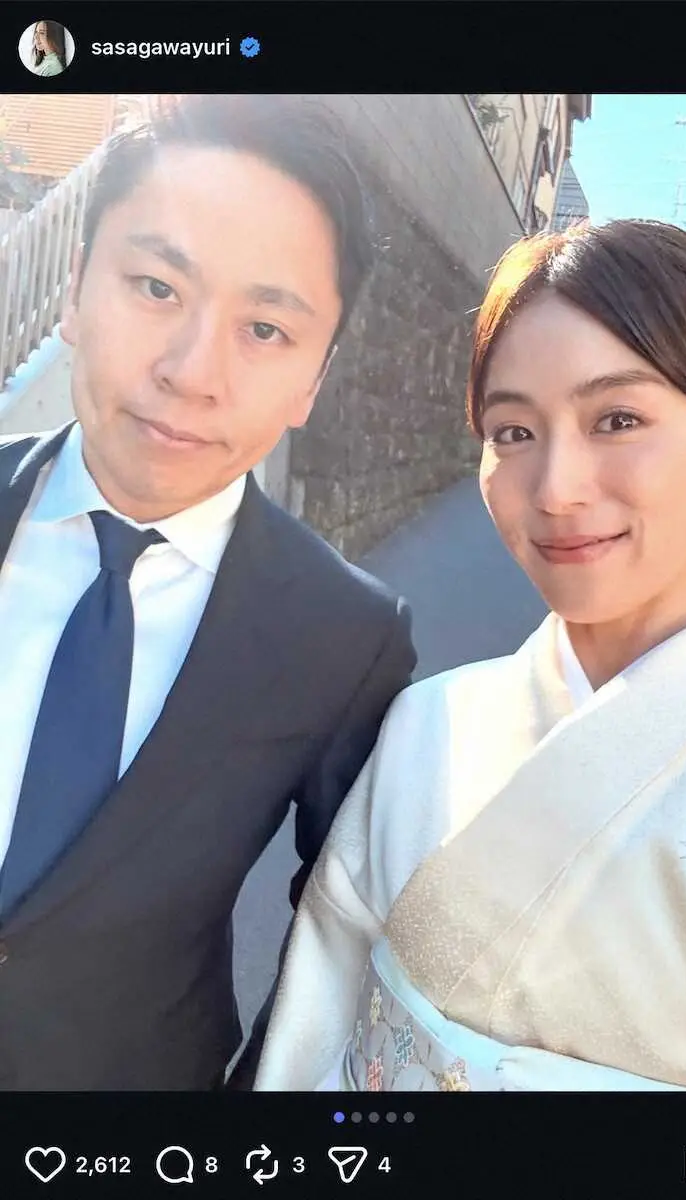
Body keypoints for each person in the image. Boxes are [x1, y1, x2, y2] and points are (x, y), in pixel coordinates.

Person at [255, 219, 686, 1092]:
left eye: (618, 419)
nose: (555, 488)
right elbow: (319, 1012)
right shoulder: (428, 722)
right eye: (513, 432)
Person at [0, 94, 416, 1090]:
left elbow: (342, 935)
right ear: (73, 289)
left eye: (265, 329)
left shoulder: (343, 639)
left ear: (315, 378)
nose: (192, 373)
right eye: (155, 286)